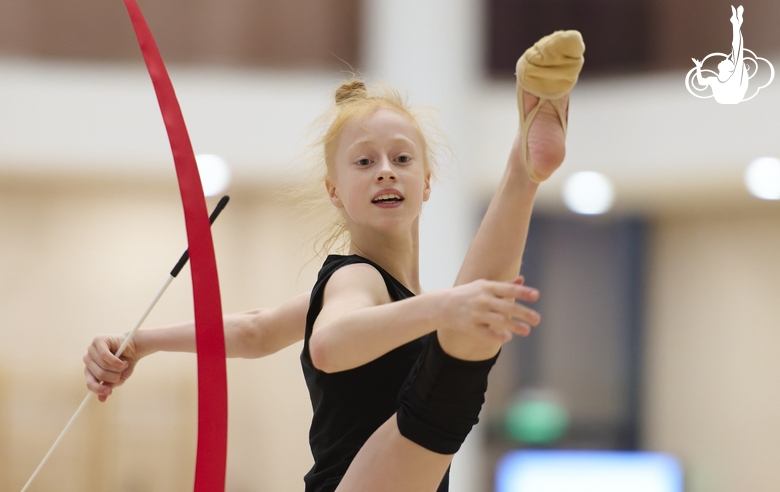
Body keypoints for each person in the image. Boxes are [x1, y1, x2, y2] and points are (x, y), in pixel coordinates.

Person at [83, 30, 585, 492]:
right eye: (364, 162)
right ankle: (523, 165)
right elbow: (327, 346)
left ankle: (525, 166)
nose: (385, 171)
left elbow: (254, 330)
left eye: (402, 159)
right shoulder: (355, 279)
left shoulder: (381, 296)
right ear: (335, 191)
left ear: (427, 181)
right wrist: (445, 307)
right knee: (462, 347)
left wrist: (141, 343)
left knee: (469, 334)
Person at [692, 5, 748, 104]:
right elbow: (701, 82)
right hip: (727, 101)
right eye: (728, 60)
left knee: (736, 49)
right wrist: (698, 67)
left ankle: (736, 23)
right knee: (736, 50)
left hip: (732, 99)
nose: (725, 59)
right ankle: (736, 23)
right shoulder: (715, 80)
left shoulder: (734, 78)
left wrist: (736, 26)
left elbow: (737, 49)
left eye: (727, 61)